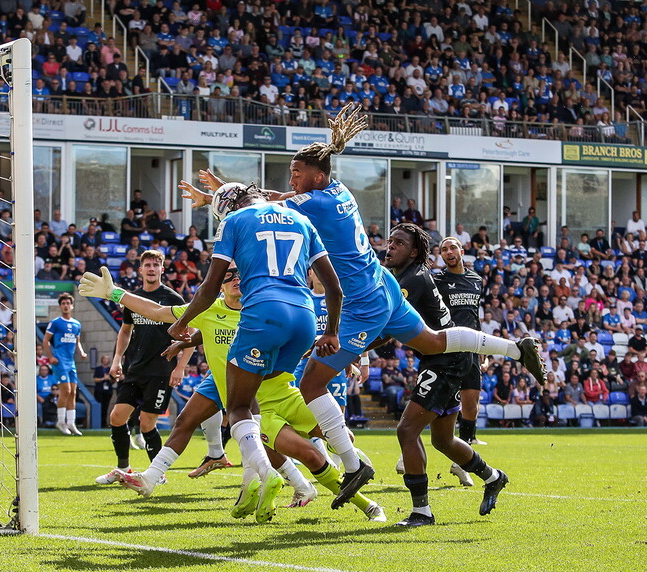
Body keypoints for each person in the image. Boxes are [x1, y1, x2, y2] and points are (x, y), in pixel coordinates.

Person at [185, 104, 546, 511]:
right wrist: (224, 192)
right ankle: (518, 349)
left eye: (297, 172)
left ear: (316, 175)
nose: (292, 179)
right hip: (383, 284)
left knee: (311, 385)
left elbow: (268, 207)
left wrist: (224, 198)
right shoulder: (337, 192)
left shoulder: (312, 205)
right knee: (431, 342)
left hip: (362, 302)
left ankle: (354, 466)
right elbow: (278, 197)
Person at [79, 263, 386, 522]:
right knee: (299, 452)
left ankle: (277, 480)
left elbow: (303, 336)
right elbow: (159, 312)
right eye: (227, 276)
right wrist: (114, 293)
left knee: (341, 437)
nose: (235, 278)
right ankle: (366, 505)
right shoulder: (208, 309)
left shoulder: (263, 307)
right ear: (218, 285)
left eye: (239, 273)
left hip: (282, 391)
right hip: (242, 397)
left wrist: (346, 354)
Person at [166, 182, 344, 524]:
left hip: (265, 313)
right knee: (269, 398)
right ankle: (346, 462)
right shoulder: (300, 220)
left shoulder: (235, 221)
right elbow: (334, 288)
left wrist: (182, 324)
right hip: (306, 320)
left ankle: (266, 472)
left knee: (239, 406)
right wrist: (331, 331)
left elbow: (207, 288)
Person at [384, 223, 509, 526]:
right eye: (390, 241)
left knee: (407, 431)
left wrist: (352, 347)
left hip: (445, 361)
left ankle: (421, 512)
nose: (390, 247)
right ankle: (493, 477)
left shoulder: (411, 279)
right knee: (442, 440)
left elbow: (387, 329)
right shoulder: (413, 276)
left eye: (399, 243)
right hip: (448, 357)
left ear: (414, 251)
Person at [95, 250, 193, 485]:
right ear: (140, 270)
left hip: (161, 371)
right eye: (147, 264)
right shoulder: (133, 298)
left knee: (147, 423)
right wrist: (117, 359)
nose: (151, 268)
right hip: (134, 369)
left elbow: (190, 336)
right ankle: (123, 469)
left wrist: (180, 367)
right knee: (117, 417)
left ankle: (156, 474)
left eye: (155, 265)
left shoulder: (172, 299)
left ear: (162, 269)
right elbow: (126, 330)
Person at [435, 237, 489, 453]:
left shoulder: (476, 280)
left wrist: (483, 344)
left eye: (452, 248)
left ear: (462, 251)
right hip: (448, 346)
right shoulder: (437, 281)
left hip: (472, 346)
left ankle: (466, 449)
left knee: (471, 401)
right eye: (444, 250)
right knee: (435, 402)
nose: (449, 252)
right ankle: (409, 445)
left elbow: (474, 315)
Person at [43, 293, 88, 435]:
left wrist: (82, 352)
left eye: (68, 303)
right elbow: (45, 341)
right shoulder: (55, 322)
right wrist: (50, 357)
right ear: (60, 306)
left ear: (72, 306)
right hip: (60, 361)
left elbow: (77, 341)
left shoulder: (76, 324)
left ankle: (71, 423)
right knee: (66, 391)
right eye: (63, 303)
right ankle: (61, 422)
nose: (66, 305)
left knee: (73, 392)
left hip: (71, 362)